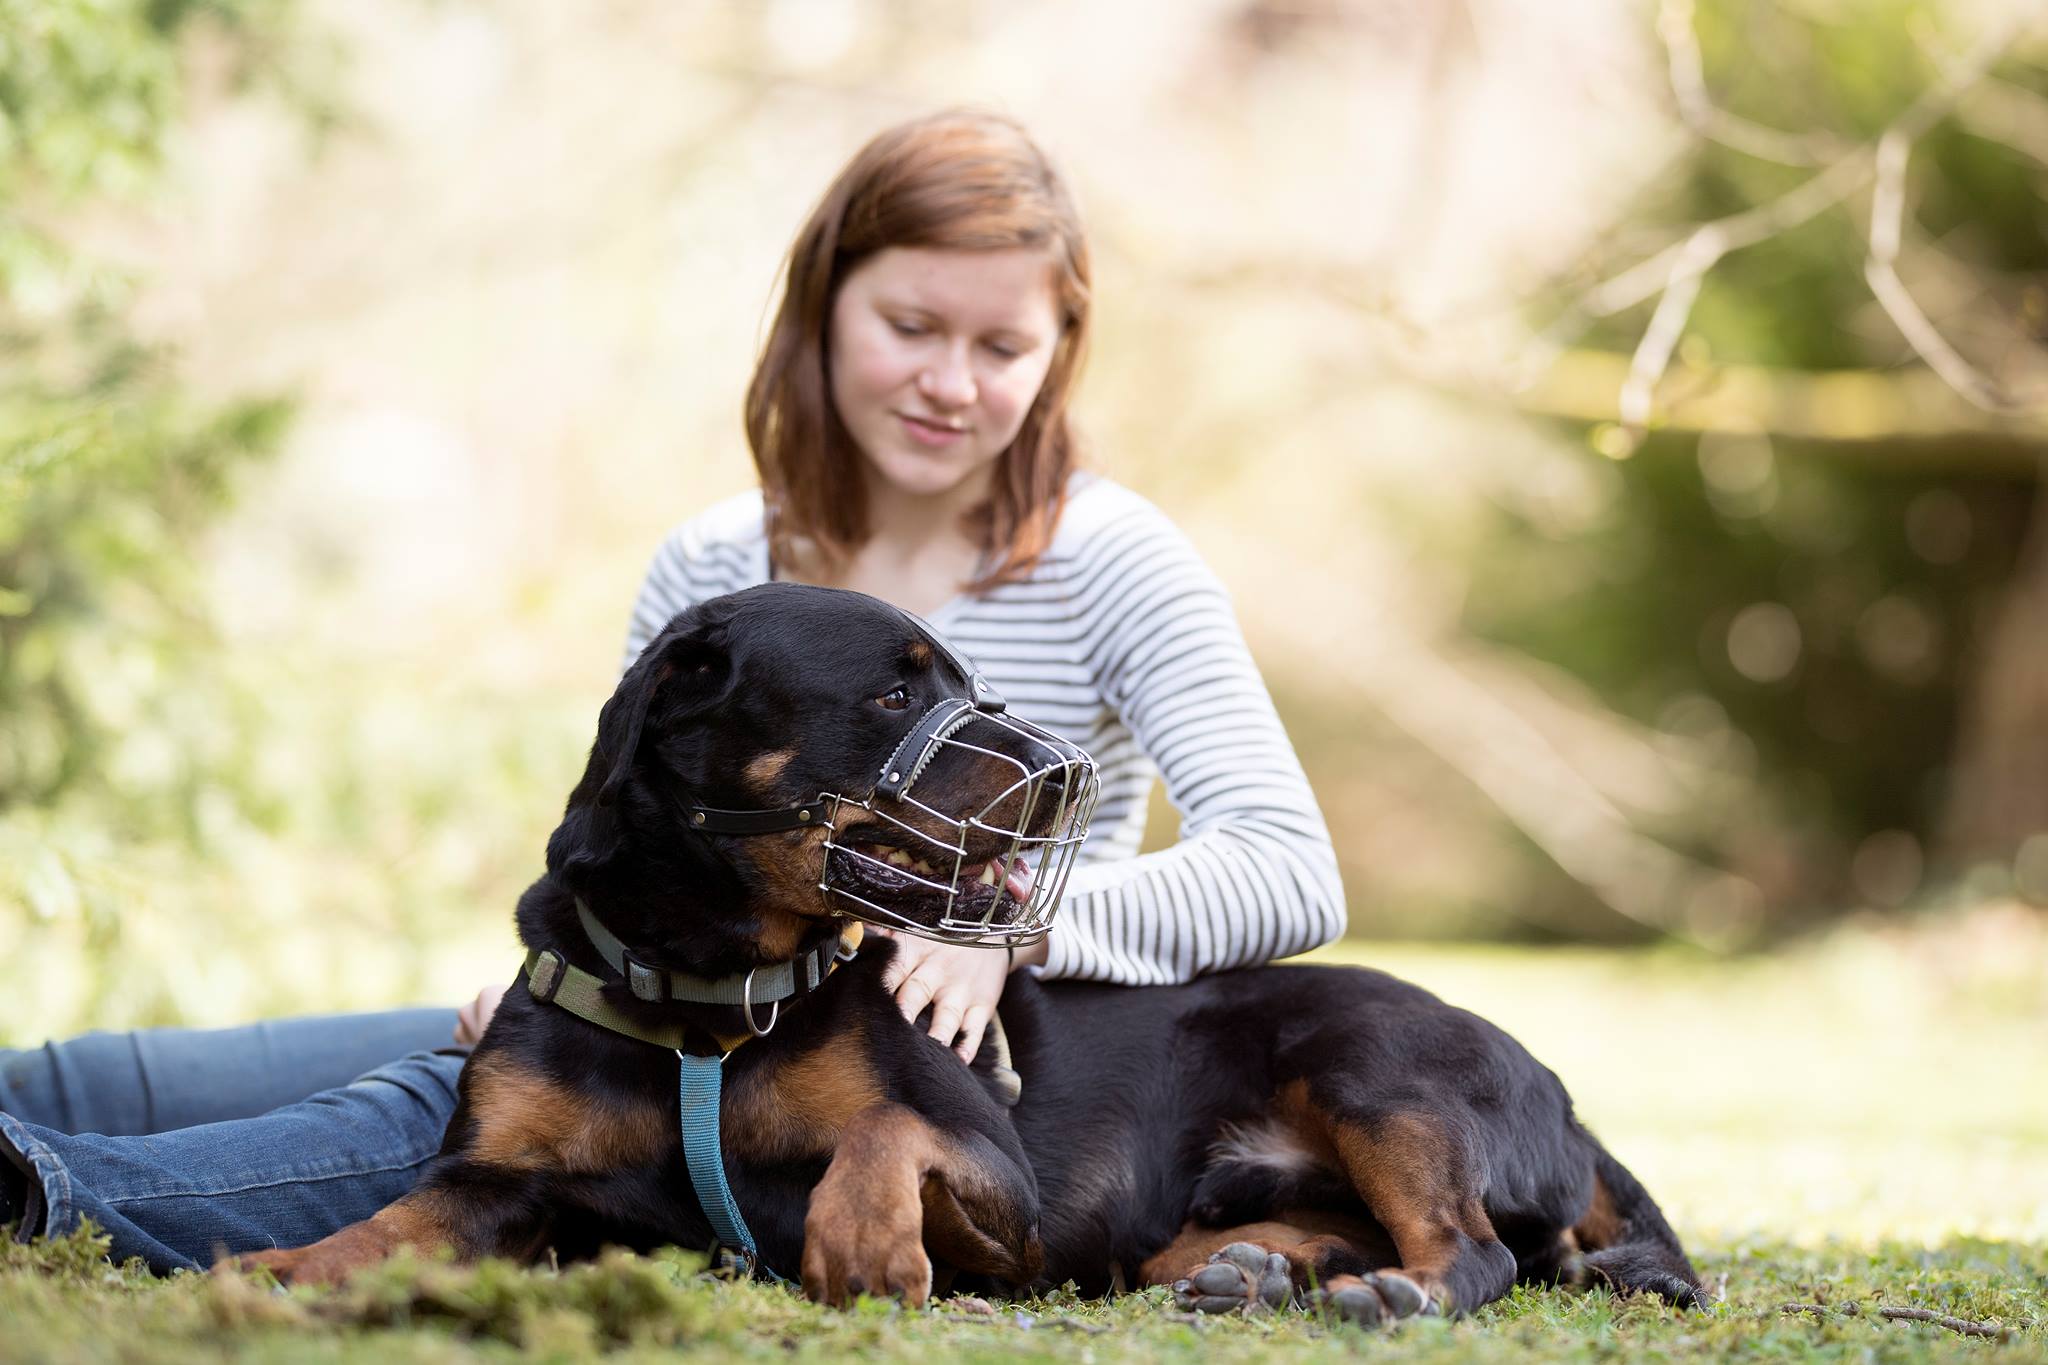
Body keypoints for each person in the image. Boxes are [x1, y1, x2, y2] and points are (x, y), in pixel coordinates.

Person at [0, 109, 1343, 1274]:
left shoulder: (1113, 559)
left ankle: (47, 1191)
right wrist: (553, 978)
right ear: (822, 308)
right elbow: (630, 819)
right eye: (911, 324)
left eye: (1003, 346)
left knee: (442, 1121)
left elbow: (1290, 867)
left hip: (874, 1065)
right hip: (650, 1009)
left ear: (1063, 349)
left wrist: (1014, 930)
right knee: (113, 1076)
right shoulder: (715, 559)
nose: (950, 380)